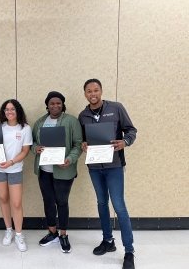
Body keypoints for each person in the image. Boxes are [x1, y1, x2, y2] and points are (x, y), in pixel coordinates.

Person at [78, 79, 137, 269]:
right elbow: (83, 140)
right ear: (85, 94)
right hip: (95, 167)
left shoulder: (116, 108)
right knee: (102, 203)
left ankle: (129, 251)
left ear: (101, 91)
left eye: (96, 90)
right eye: (89, 91)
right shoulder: (83, 115)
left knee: (119, 206)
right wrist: (83, 145)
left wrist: (124, 142)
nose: (93, 94)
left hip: (115, 166)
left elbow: (131, 131)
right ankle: (108, 240)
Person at [32, 91, 82, 253]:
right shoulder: (40, 122)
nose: (55, 106)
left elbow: (78, 144)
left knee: (62, 201)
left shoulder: (71, 121)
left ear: (62, 104)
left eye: (58, 103)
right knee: (48, 201)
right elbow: (32, 143)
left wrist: (70, 159)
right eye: (52, 103)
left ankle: (63, 234)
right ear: (47, 105)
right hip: (45, 170)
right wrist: (35, 148)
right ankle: (52, 232)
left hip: (64, 170)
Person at [0, 99, 32, 252]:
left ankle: (19, 234)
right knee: (3, 198)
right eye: (6, 109)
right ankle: (9, 229)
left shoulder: (25, 128)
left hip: (15, 169)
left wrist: (11, 162)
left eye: (12, 109)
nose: (9, 112)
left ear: (18, 111)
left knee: (16, 203)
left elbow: (25, 151)